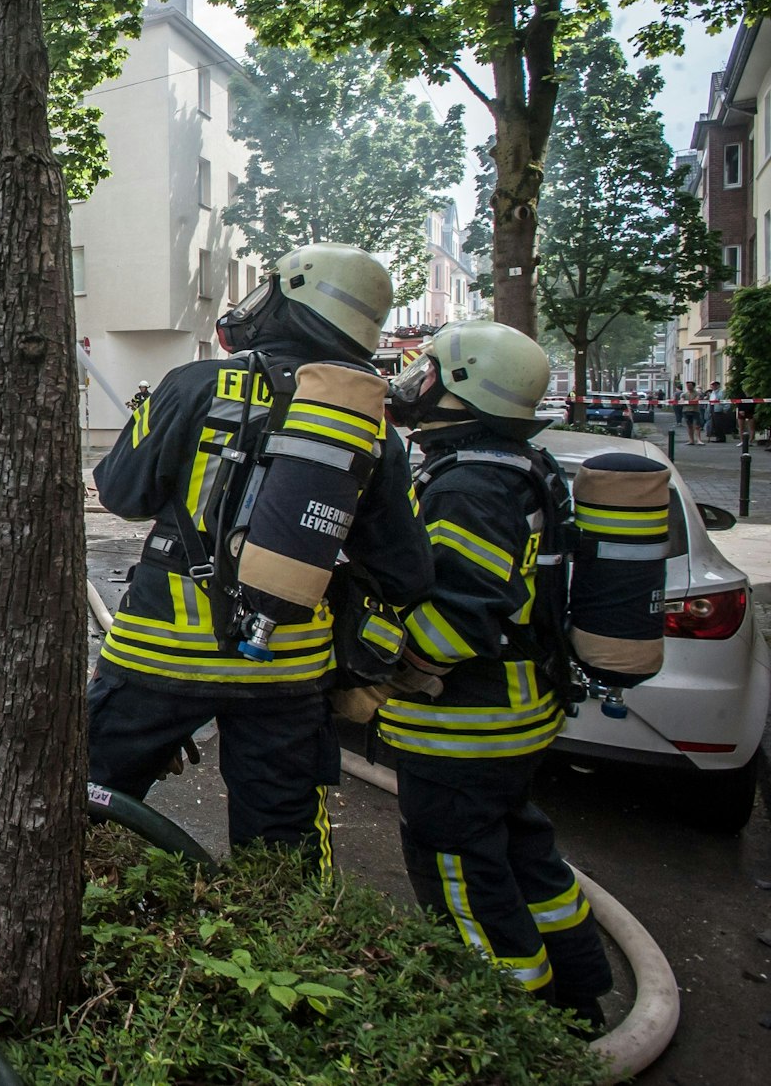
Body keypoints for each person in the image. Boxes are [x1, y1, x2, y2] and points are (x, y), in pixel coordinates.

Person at [88, 243, 434, 874]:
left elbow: (120, 491)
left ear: (292, 301)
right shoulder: (369, 426)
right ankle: (284, 953)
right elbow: (405, 570)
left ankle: (112, 945)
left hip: (158, 657)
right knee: (285, 851)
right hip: (288, 669)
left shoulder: (196, 384)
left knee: (84, 809)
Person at [369, 320, 616, 1031]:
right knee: (524, 854)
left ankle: (507, 1020)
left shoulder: (467, 484)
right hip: (515, 717)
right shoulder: (516, 464)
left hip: (462, 726)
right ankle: (579, 995)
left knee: (460, 873)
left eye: (429, 369)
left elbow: (460, 613)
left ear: (465, 384)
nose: (414, 380)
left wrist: (395, 667)